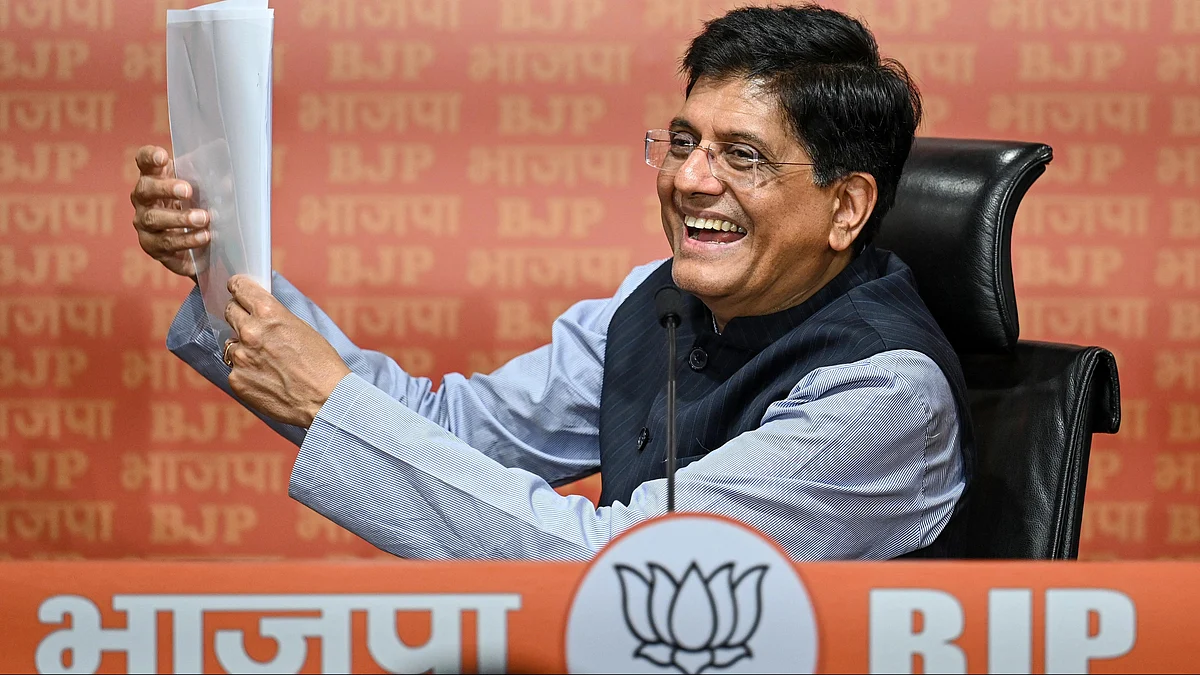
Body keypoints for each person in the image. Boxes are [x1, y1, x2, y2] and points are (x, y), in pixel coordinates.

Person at [130, 5, 972, 560]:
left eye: (740, 156)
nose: (689, 180)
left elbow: (623, 575)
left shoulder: (880, 393)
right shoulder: (657, 303)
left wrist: (324, 402)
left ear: (847, 206)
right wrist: (223, 260)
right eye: (682, 142)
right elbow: (454, 431)